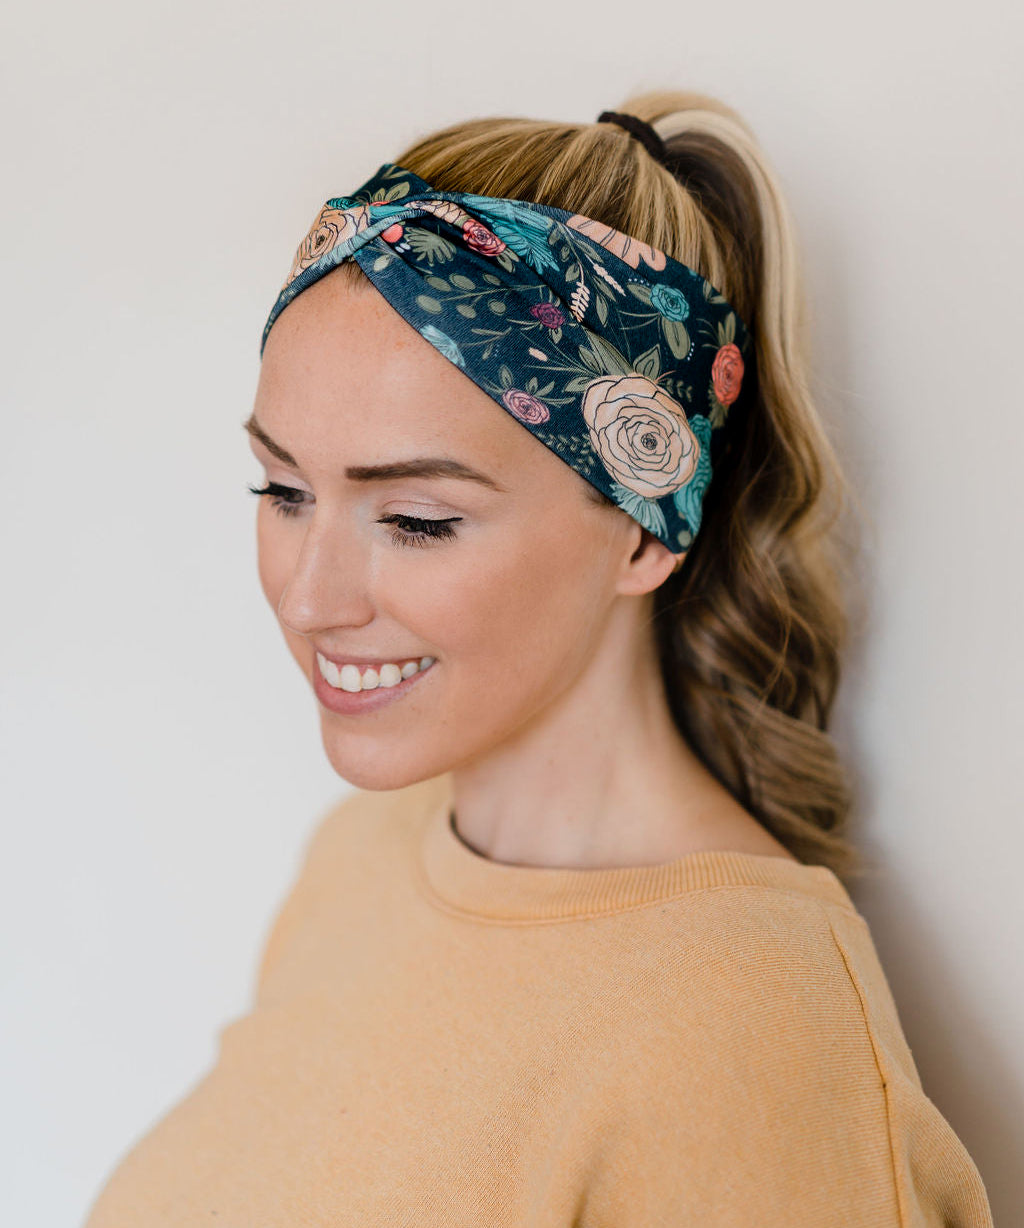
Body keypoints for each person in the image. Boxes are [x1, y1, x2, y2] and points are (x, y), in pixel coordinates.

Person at [81, 91, 994, 1226]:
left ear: (643, 527)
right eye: (283, 491)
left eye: (415, 518)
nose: (307, 597)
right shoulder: (363, 857)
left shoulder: (750, 1035)